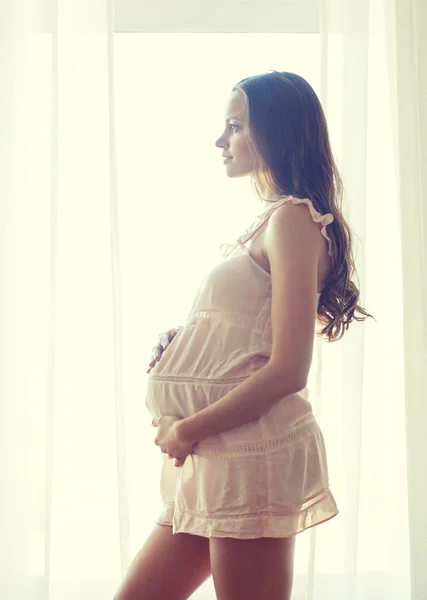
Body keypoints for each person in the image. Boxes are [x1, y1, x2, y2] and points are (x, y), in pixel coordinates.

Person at [114, 71, 375, 600]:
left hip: (246, 456)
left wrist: (186, 431)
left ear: (276, 133)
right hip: (216, 458)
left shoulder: (295, 220)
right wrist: (188, 340)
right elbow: (251, 334)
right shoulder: (270, 222)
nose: (220, 141)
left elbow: (288, 369)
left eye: (234, 126)